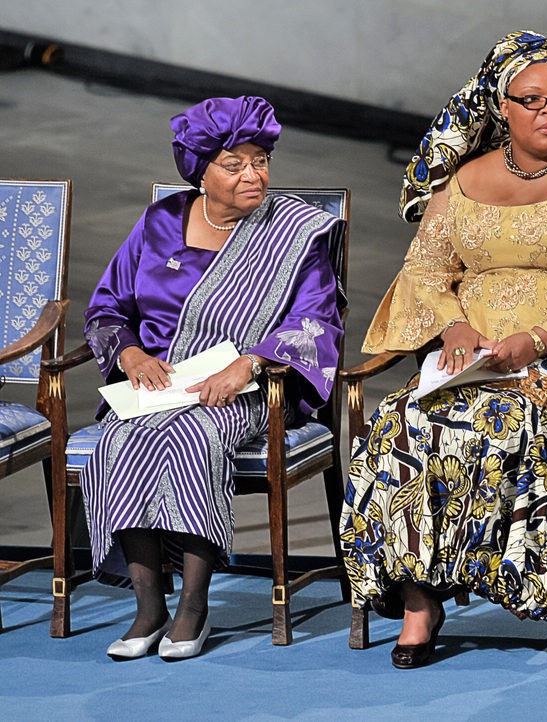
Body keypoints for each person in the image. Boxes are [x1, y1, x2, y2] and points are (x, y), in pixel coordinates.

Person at [340, 30, 547, 670]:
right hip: (468, 364)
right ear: (501, 107)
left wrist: (539, 339)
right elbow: (426, 271)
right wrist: (451, 327)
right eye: (532, 99)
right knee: (398, 424)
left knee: (493, 424)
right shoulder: (462, 181)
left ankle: (514, 577)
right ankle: (420, 600)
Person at [81, 96, 344, 661]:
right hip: (159, 382)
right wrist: (130, 355)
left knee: (192, 438)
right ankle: (148, 607)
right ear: (201, 170)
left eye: (261, 160)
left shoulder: (296, 231)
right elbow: (107, 307)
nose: (253, 175)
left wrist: (248, 363)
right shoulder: (160, 221)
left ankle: (194, 609)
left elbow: (317, 324)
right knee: (116, 443)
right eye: (234, 164)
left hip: (248, 386)